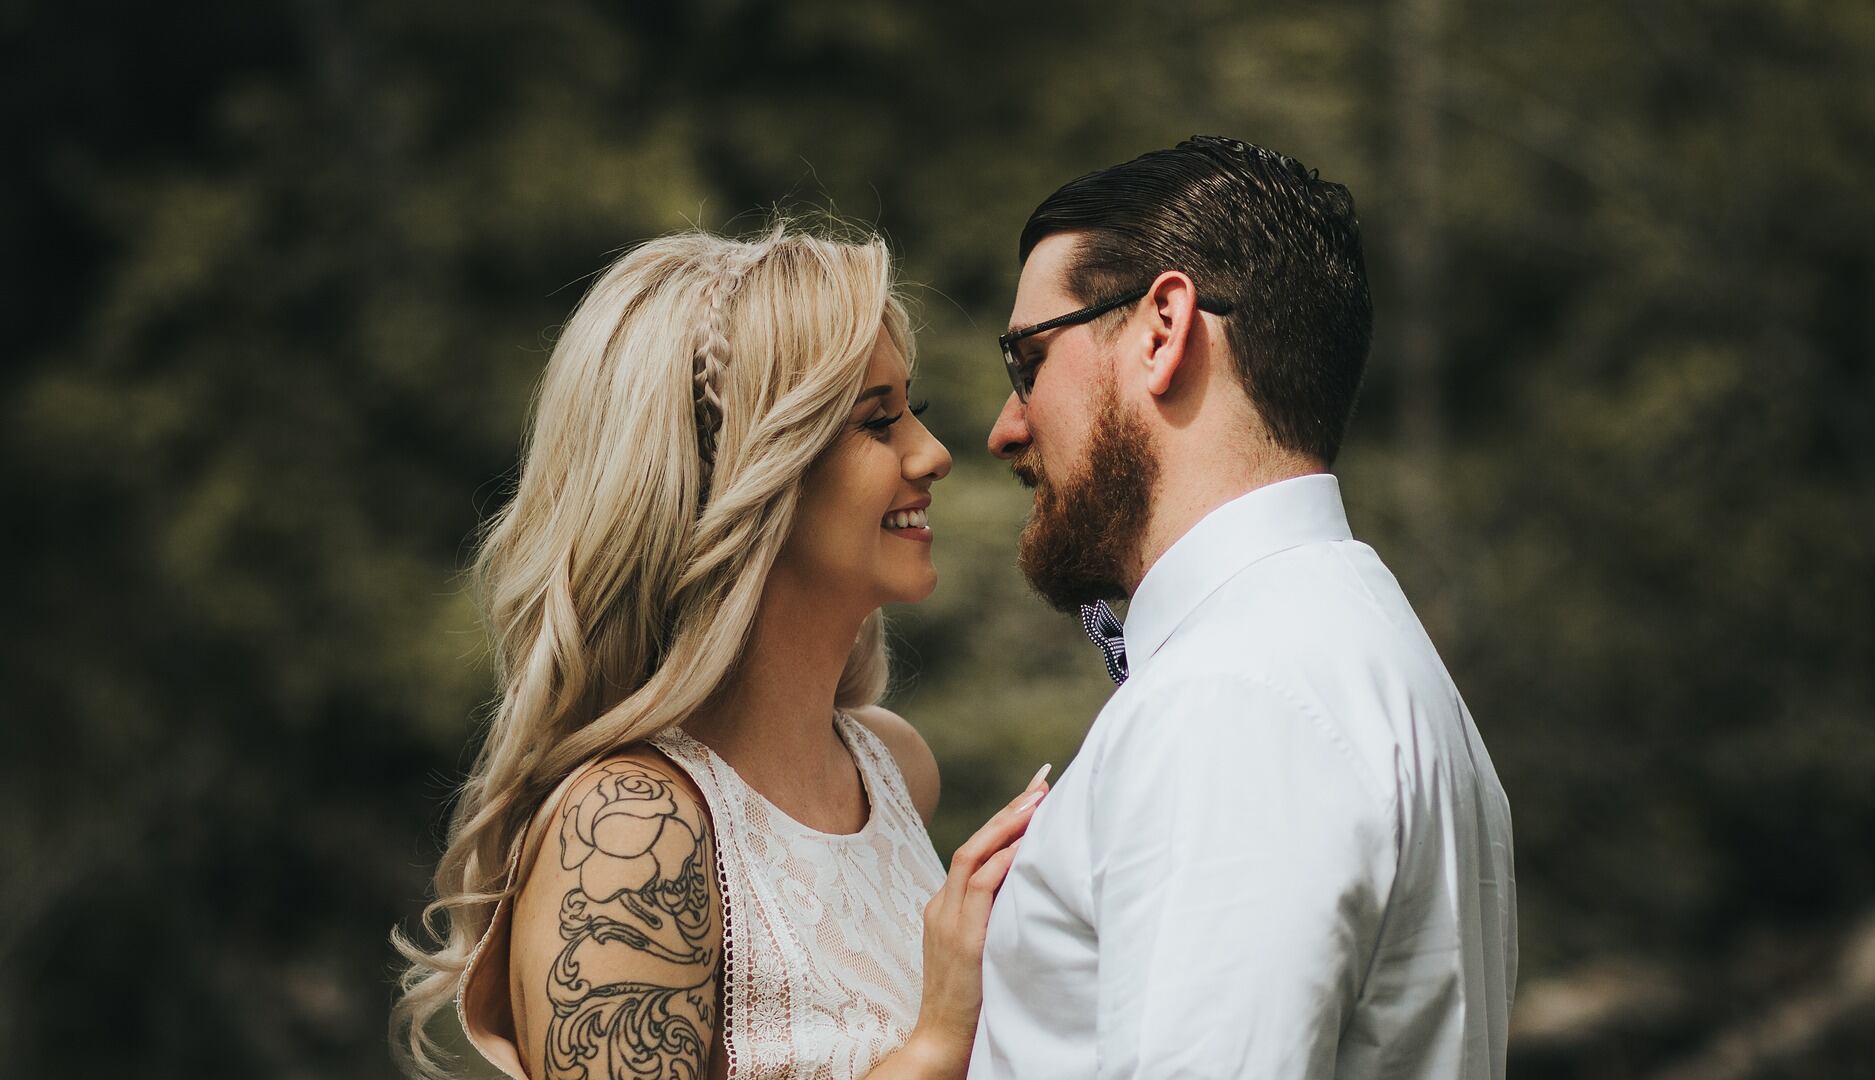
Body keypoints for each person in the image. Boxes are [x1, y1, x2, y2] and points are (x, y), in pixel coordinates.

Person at [391, 223, 1047, 1080]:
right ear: (746, 474)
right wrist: (937, 1040)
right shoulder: (630, 829)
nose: (932, 454)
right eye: (877, 421)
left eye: (911, 412)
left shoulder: (892, 767)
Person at [971, 136, 1518, 1078]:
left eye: (1028, 361)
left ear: (1162, 329)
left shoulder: (1232, 699)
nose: (1005, 428)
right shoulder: (1348, 646)